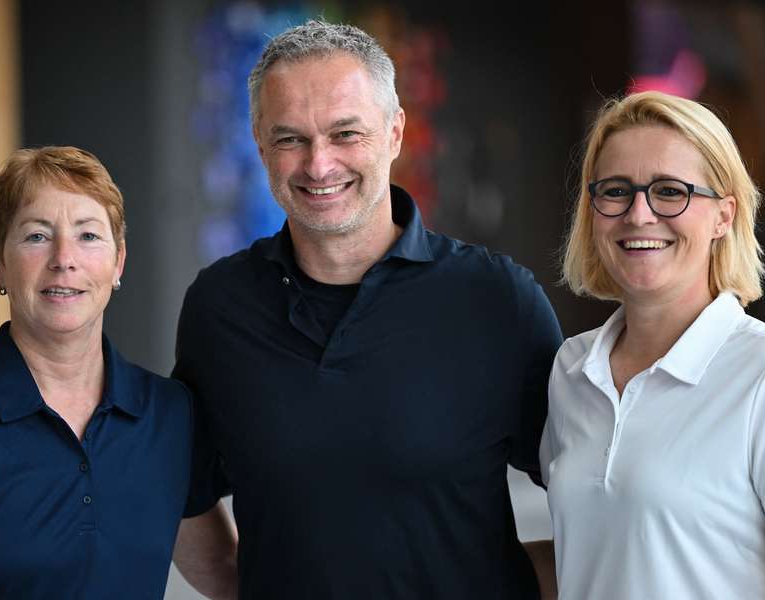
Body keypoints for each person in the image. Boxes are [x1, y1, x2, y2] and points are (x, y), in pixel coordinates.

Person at [171, 19, 563, 600]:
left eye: (345, 134)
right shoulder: (219, 307)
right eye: (290, 139)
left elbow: (598, 498)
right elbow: (187, 493)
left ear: (395, 132)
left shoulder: (498, 301)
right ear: (259, 141)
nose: (319, 165)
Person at [542, 90, 765, 599]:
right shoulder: (571, 370)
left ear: (724, 216)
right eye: (616, 191)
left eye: (670, 191)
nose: (639, 214)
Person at [0, 147, 194, 599]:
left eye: (89, 236)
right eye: (36, 236)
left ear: (118, 262)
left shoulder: (169, 413)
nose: (64, 258)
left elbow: (224, 568)